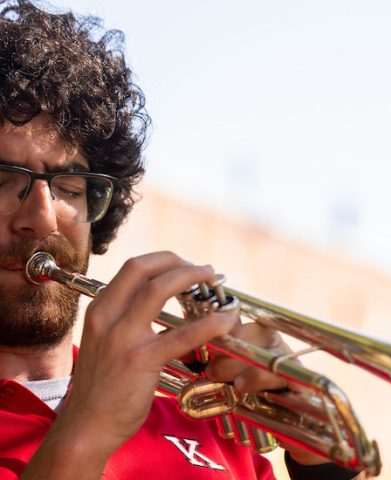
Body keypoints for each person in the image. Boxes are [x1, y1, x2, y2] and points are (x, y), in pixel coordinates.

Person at [0, 1, 362, 479]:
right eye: (3, 179)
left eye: (69, 188)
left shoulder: (197, 410)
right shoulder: (114, 405)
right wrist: (88, 425)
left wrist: (318, 464)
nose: (41, 217)